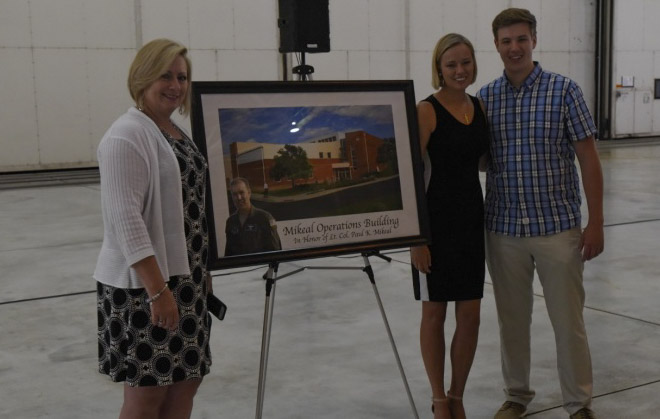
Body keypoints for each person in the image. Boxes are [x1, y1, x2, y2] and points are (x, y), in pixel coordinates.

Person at [477, 8, 604, 419]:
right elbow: (476, 158)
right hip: (503, 229)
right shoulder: (486, 98)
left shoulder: (564, 90)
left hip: (558, 229)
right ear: (496, 45)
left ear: (534, 40)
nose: (514, 48)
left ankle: (578, 403)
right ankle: (516, 396)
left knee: (569, 324)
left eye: (521, 39)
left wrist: (596, 222)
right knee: (512, 323)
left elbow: (588, 157)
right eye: (506, 41)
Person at [94, 38, 214, 419]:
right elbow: (126, 221)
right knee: (148, 393)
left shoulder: (173, 131)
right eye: (165, 75)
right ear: (142, 77)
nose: (175, 85)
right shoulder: (125, 135)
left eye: (182, 76)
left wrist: (203, 273)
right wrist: (158, 290)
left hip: (186, 280)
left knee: (186, 380)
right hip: (147, 286)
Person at [410, 33, 489, 419]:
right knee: (434, 314)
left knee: (470, 314)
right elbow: (409, 177)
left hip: (472, 223)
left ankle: (457, 395)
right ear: (439, 68)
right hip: (435, 227)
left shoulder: (480, 107)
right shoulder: (426, 110)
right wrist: (416, 238)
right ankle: (439, 398)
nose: (460, 70)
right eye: (451, 64)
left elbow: (481, 161)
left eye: (466, 63)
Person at [224, 177, 282, 256]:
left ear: (249, 193)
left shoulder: (265, 218)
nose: (239, 197)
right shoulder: (230, 222)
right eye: (234, 194)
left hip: (261, 267)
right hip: (239, 268)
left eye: (241, 192)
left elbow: (276, 252)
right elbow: (228, 254)